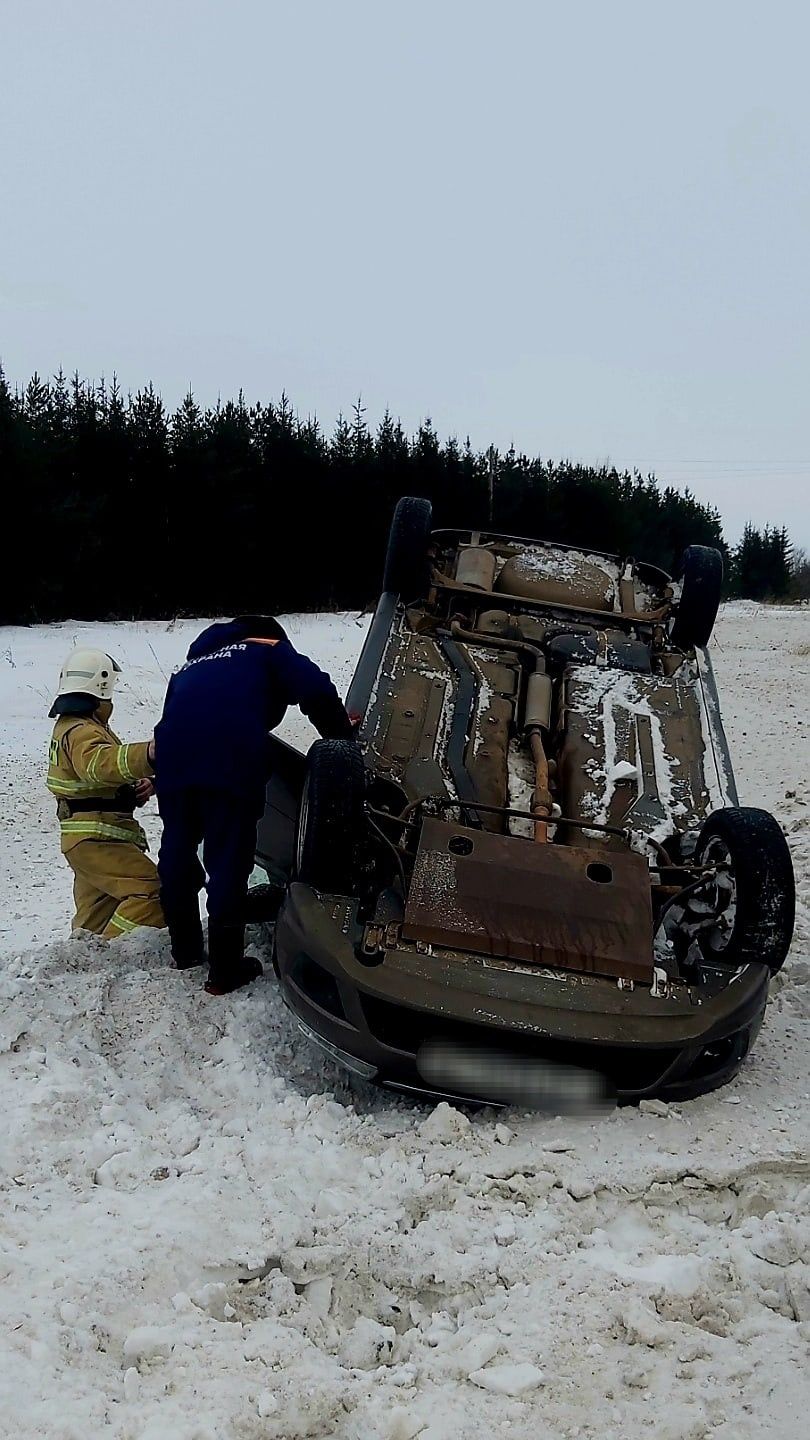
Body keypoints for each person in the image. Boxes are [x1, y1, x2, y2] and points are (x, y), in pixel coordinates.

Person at [154, 615, 355, 995]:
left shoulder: (189, 667)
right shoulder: (268, 649)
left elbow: (179, 716)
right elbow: (315, 687)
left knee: (177, 852)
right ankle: (225, 971)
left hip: (173, 759)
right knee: (227, 857)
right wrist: (342, 738)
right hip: (231, 755)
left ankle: (185, 952)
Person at [47, 648, 165, 938]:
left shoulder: (74, 726)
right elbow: (99, 765)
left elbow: (93, 783)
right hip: (97, 837)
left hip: (87, 838)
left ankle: (82, 960)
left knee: (98, 912)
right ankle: (110, 954)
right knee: (149, 891)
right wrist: (148, 753)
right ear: (101, 686)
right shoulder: (81, 731)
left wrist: (132, 789)